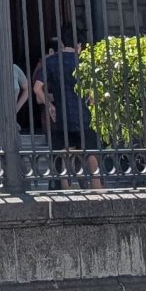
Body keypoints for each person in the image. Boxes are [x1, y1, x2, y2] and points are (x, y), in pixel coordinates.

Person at [32, 30, 101, 181]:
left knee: (66, 163)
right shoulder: (84, 61)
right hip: (84, 116)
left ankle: (66, 193)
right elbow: (93, 92)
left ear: (61, 43)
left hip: (63, 117)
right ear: (79, 45)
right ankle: (99, 195)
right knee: (92, 160)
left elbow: (37, 88)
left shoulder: (51, 62)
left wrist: (50, 105)